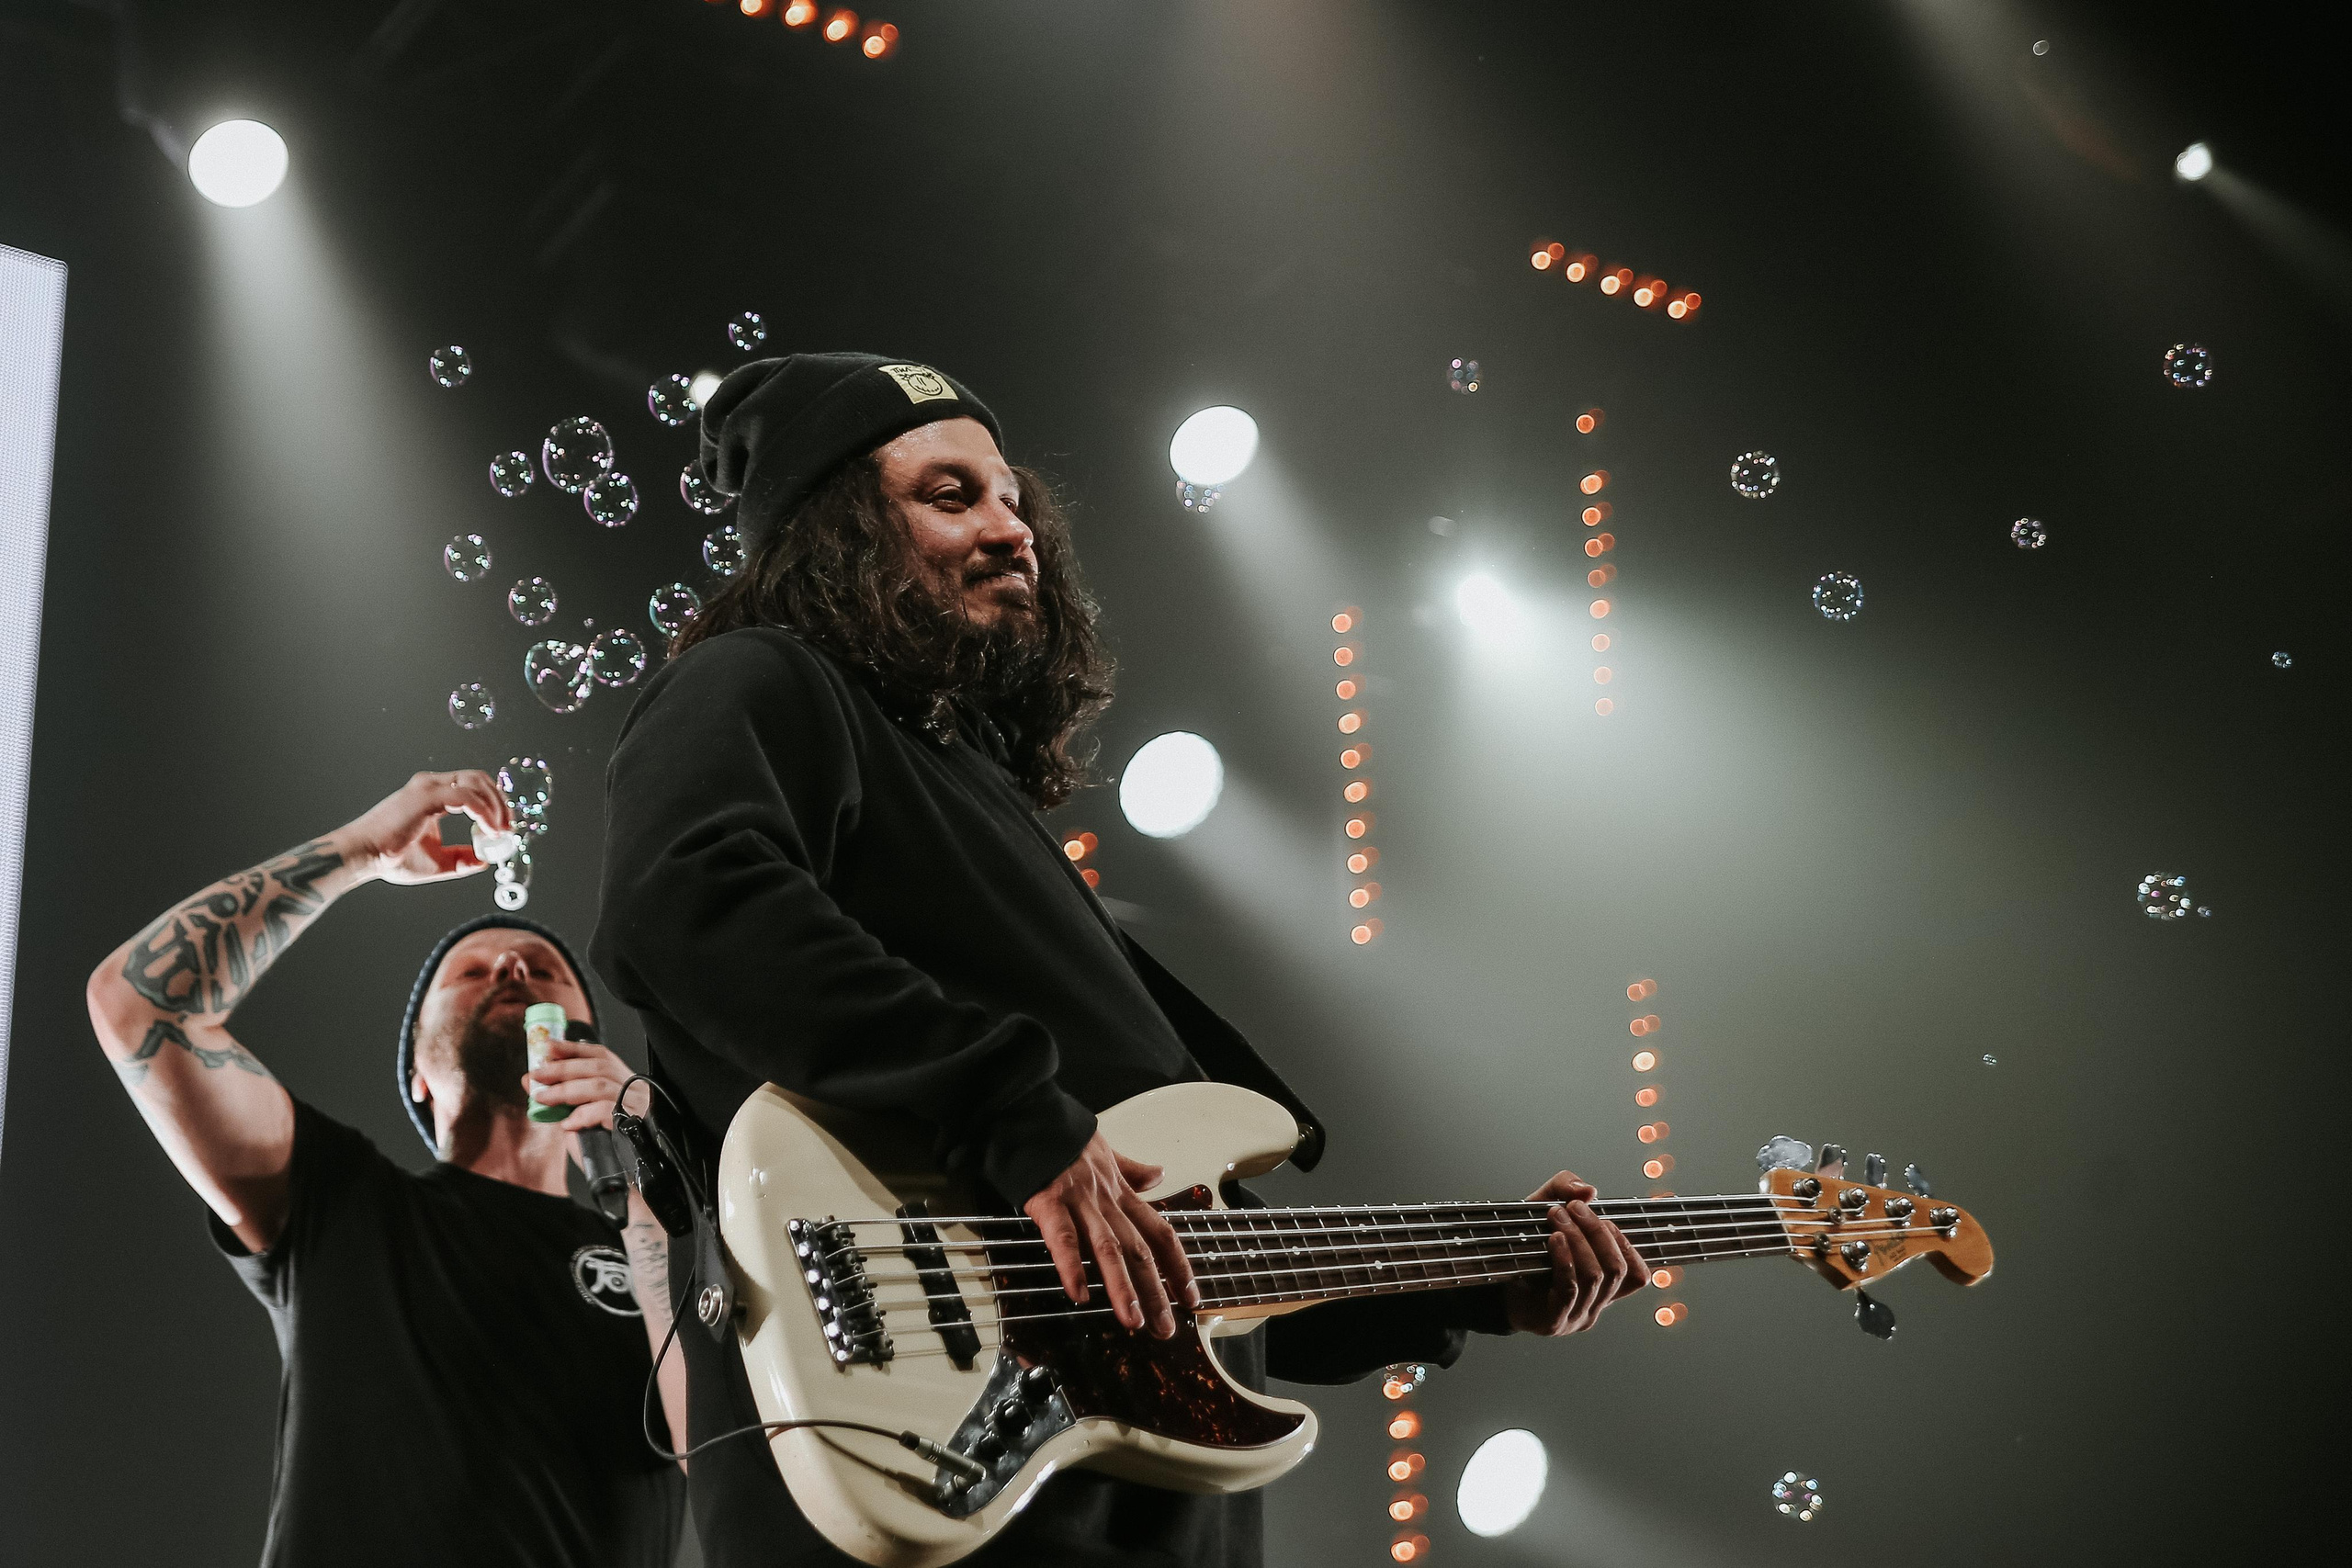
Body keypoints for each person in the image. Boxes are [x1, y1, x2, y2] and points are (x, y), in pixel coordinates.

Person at [592, 353, 1649, 1567]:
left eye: (1013, 498)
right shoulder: (761, 676)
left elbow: (1188, 1259)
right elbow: (684, 900)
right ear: (835, 533)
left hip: (1118, 1489)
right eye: (950, 495)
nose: (1012, 527)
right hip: (917, 1456)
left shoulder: (967, 789)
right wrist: (1013, 1113)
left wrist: (1473, 1282)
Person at [85, 769, 689, 1568]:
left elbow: (712, 1453)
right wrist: (360, 850)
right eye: (473, 973)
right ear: (414, 1071)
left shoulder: (668, 1244)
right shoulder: (345, 1201)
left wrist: (650, 1179)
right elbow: (142, 1010)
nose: (512, 967)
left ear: (585, 1047)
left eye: (543, 973)